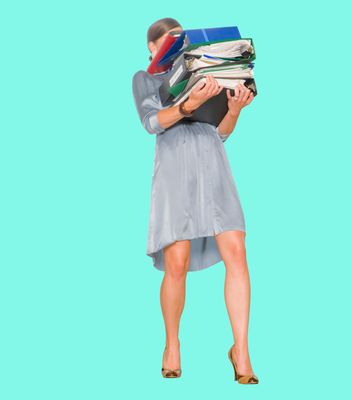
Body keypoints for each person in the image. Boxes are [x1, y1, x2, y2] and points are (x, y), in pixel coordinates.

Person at [131, 17, 258, 384]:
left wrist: (233, 109)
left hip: (213, 166)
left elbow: (220, 133)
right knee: (177, 261)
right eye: (165, 44)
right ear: (153, 49)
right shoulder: (145, 78)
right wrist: (188, 104)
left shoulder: (204, 69)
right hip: (174, 172)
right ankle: (172, 344)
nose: (171, 49)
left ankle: (242, 351)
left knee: (237, 251)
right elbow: (152, 122)